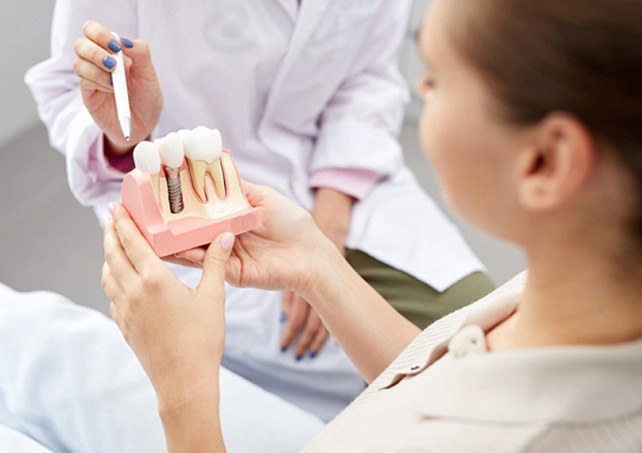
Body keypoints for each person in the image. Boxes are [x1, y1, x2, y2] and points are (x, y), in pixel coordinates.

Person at [102, 0, 642, 450]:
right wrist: (315, 264)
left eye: (436, 79)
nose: (421, 91)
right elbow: (449, 386)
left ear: (544, 163)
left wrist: (185, 391)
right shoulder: (575, 300)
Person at [25, 0, 494, 420]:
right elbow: (71, 89)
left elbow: (368, 78)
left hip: (348, 183)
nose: (427, 86)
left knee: (479, 352)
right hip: (192, 203)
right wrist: (124, 134)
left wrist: (328, 225)